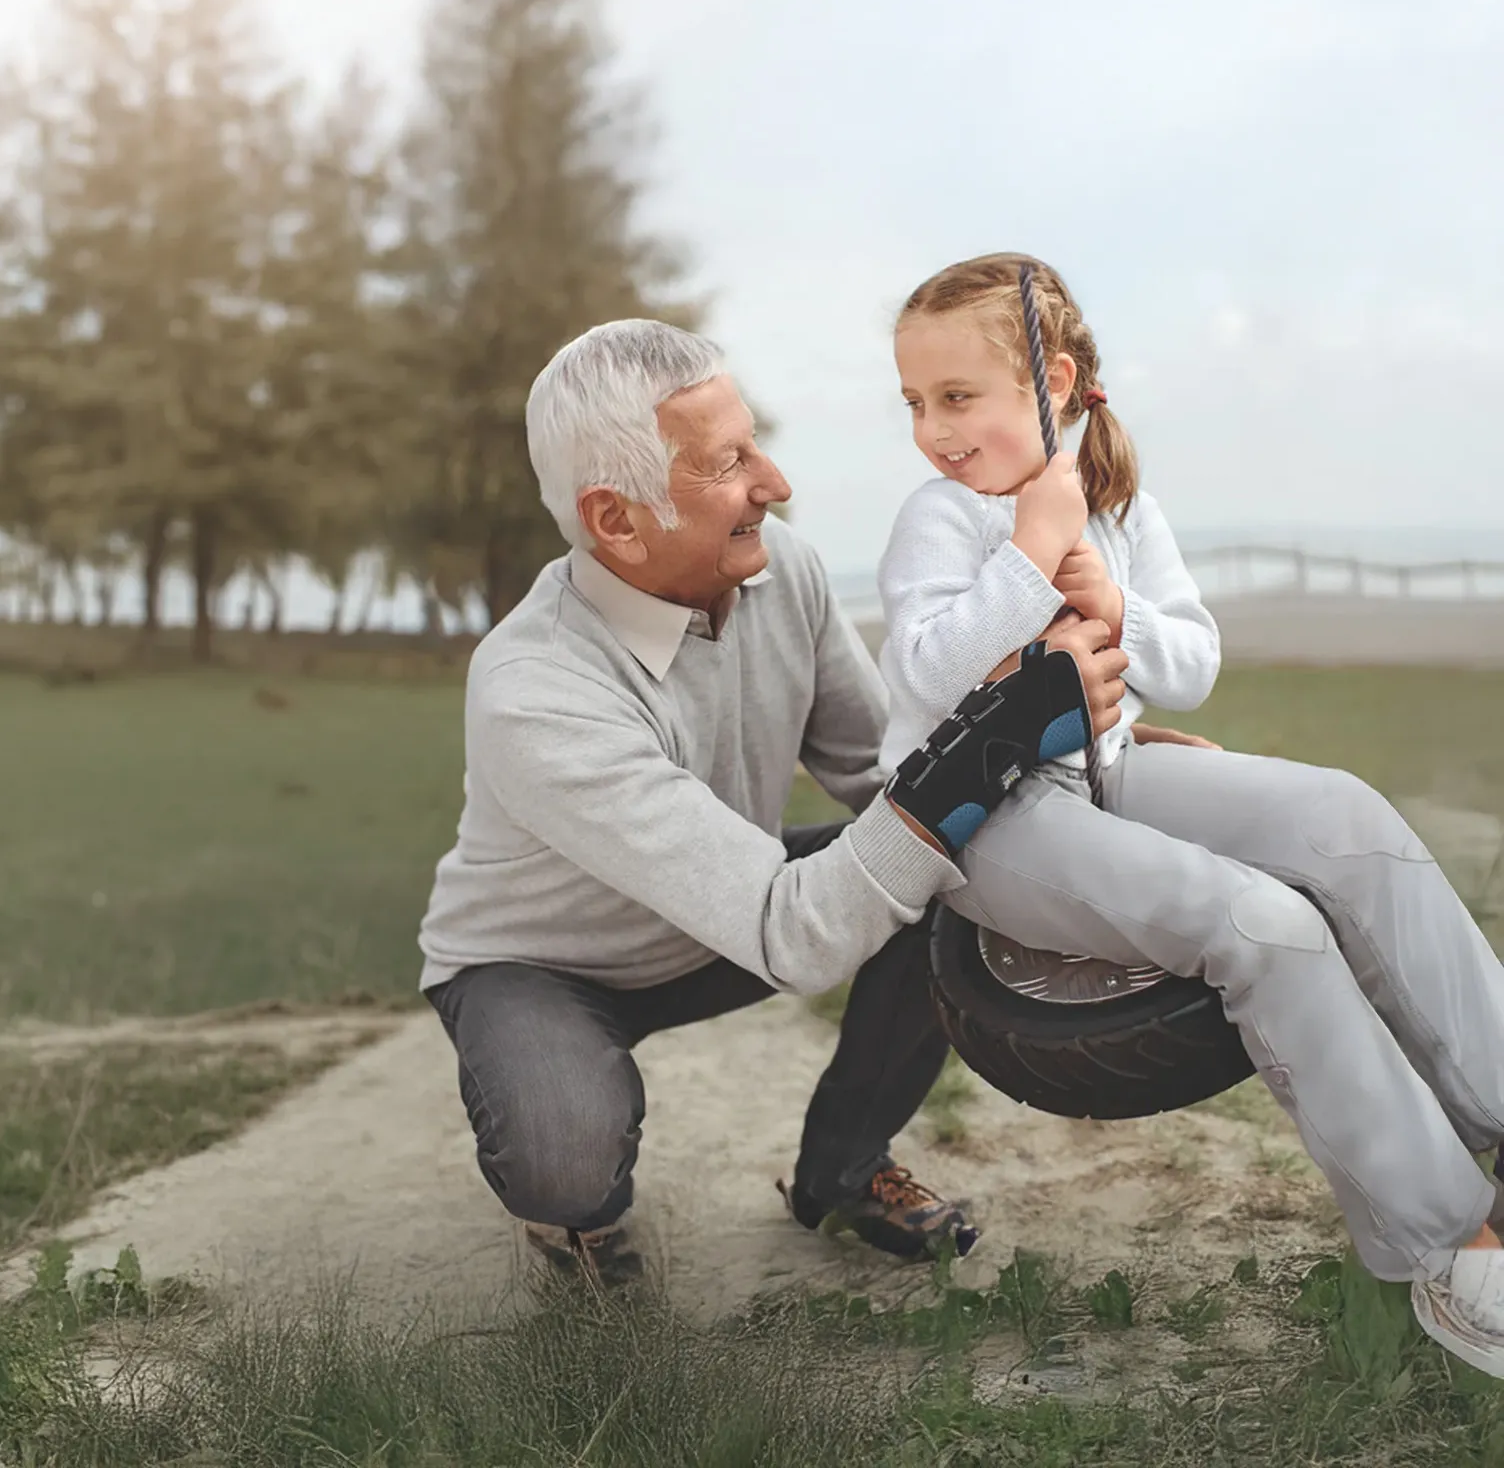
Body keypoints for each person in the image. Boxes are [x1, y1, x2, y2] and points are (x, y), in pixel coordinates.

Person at [875, 251, 1504, 1375]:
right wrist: (1030, 551)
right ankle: (1447, 1240)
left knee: (1345, 815)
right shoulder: (941, 516)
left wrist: (1116, 606)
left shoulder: (1122, 504)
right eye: (916, 402)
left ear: (1051, 383)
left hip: (1107, 769)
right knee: (1263, 922)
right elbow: (928, 675)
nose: (934, 429)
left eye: (957, 396)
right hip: (980, 819)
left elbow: (1195, 663)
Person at [415, 317, 1127, 1284]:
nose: (775, 483)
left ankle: (842, 1170)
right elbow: (792, 935)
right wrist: (998, 732)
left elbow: (881, 765)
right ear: (615, 519)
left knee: (949, 871)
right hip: (544, 963)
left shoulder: (781, 569)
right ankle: (573, 1216)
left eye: (754, 445)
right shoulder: (534, 691)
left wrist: (1097, 754)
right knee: (565, 1157)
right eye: (728, 464)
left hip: (732, 907)